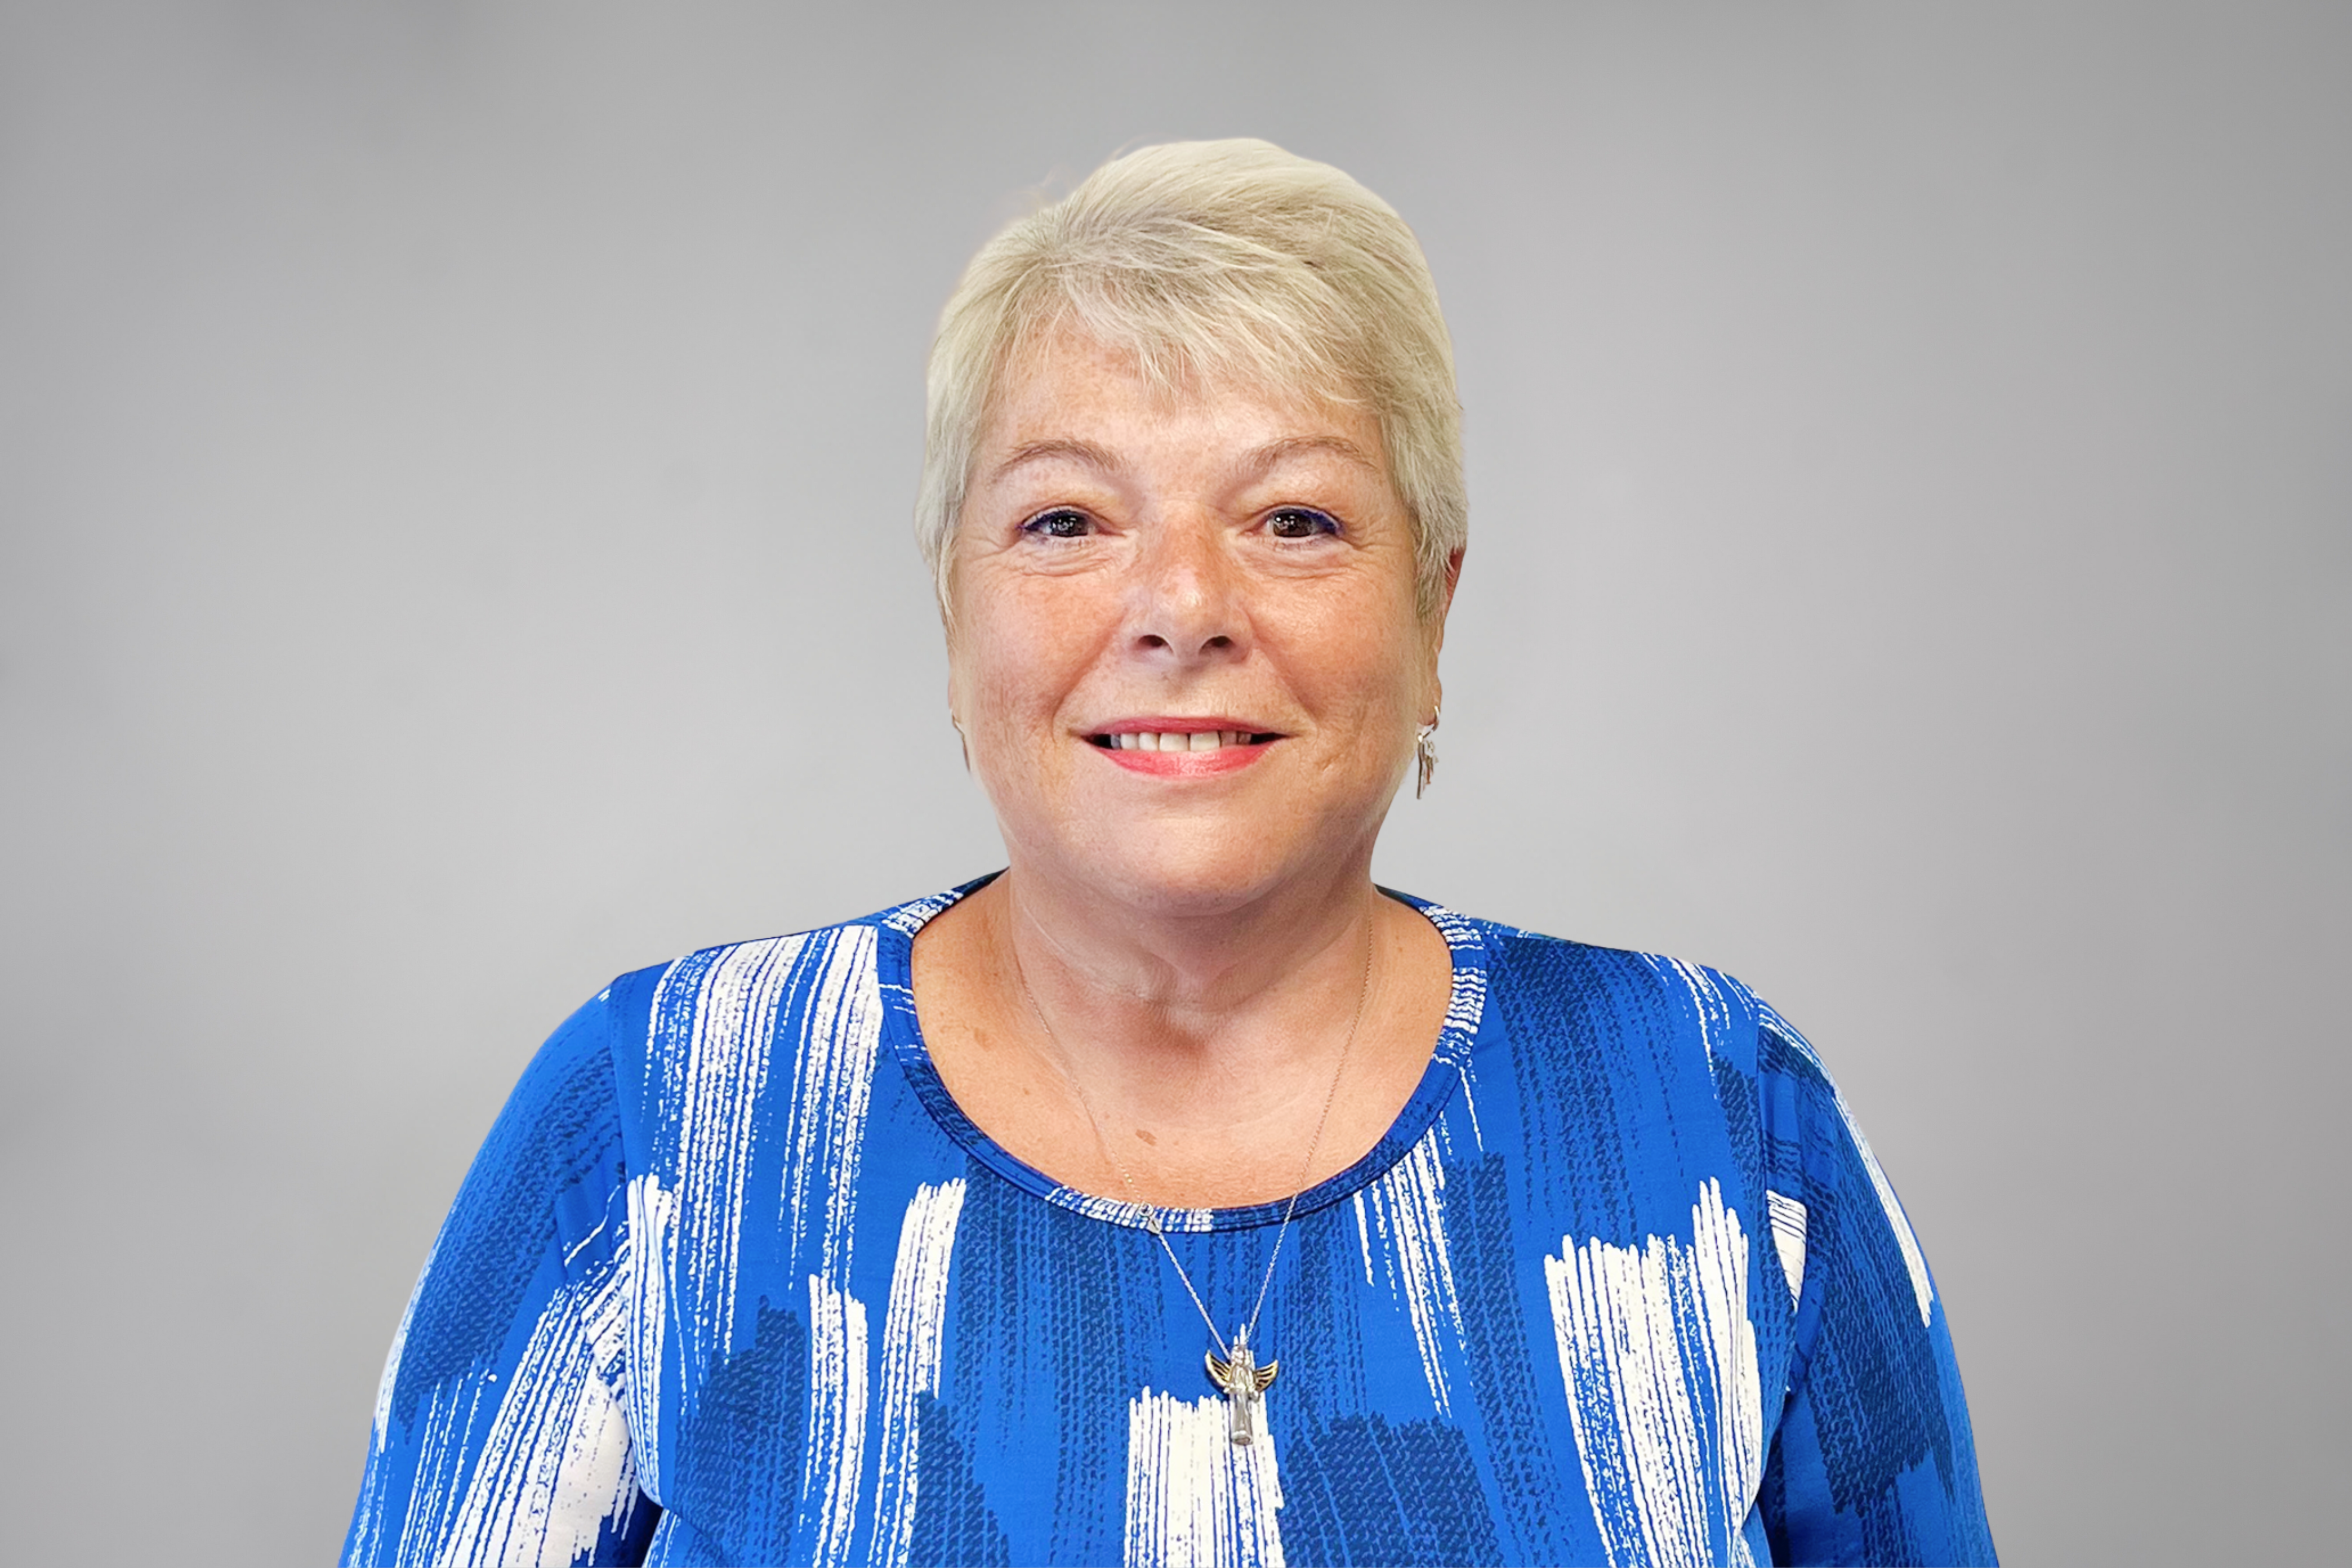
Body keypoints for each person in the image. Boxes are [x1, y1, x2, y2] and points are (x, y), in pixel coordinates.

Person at [344, 139, 1995, 1567]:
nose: (1184, 609)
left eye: (1295, 520)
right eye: (1068, 520)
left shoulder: (1717, 1122)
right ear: (954, 614)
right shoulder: (666, 1130)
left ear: (1434, 610)